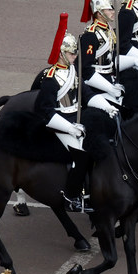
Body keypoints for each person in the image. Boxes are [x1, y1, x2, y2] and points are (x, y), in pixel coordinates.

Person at [37, 19, 88, 211]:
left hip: (76, 117)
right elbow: (46, 112)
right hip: (60, 122)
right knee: (80, 157)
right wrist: (69, 128)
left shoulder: (73, 70)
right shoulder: (51, 78)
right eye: (70, 53)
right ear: (62, 53)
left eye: (75, 53)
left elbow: (84, 93)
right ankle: (71, 196)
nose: (74, 56)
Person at [79, 0, 125, 118]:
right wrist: (109, 88)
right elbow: (85, 69)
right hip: (95, 83)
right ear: (99, 13)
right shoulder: (91, 35)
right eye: (109, 10)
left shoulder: (108, 30)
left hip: (109, 78)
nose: (113, 12)